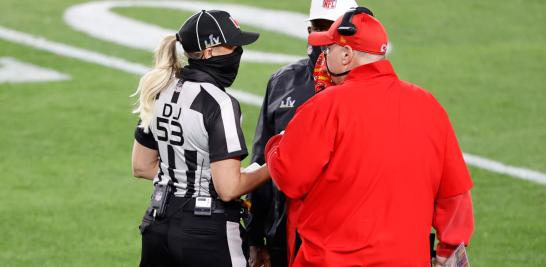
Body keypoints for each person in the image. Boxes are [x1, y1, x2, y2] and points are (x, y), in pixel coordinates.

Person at [264, 7, 474, 267]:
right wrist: (448, 247)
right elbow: (455, 195)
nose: (322, 57)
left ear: (346, 54)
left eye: (328, 49)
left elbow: (290, 177)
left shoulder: (326, 105)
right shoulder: (428, 105)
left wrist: (276, 144)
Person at [131, 10, 270, 267]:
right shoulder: (220, 102)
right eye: (232, 45)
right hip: (207, 235)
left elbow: (141, 165)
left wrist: (195, 177)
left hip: (156, 226)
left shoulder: (159, 88)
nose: (238, 52)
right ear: (209, 51)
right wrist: (273, 165)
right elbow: (228, 189)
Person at [246, 1, 357, 266]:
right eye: (318, 26)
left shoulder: (368, 88)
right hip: (286, 232)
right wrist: (255, 236)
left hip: (347, 237)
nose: (323, 35)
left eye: (331, 27)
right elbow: (261, 162)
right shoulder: (283, 82)